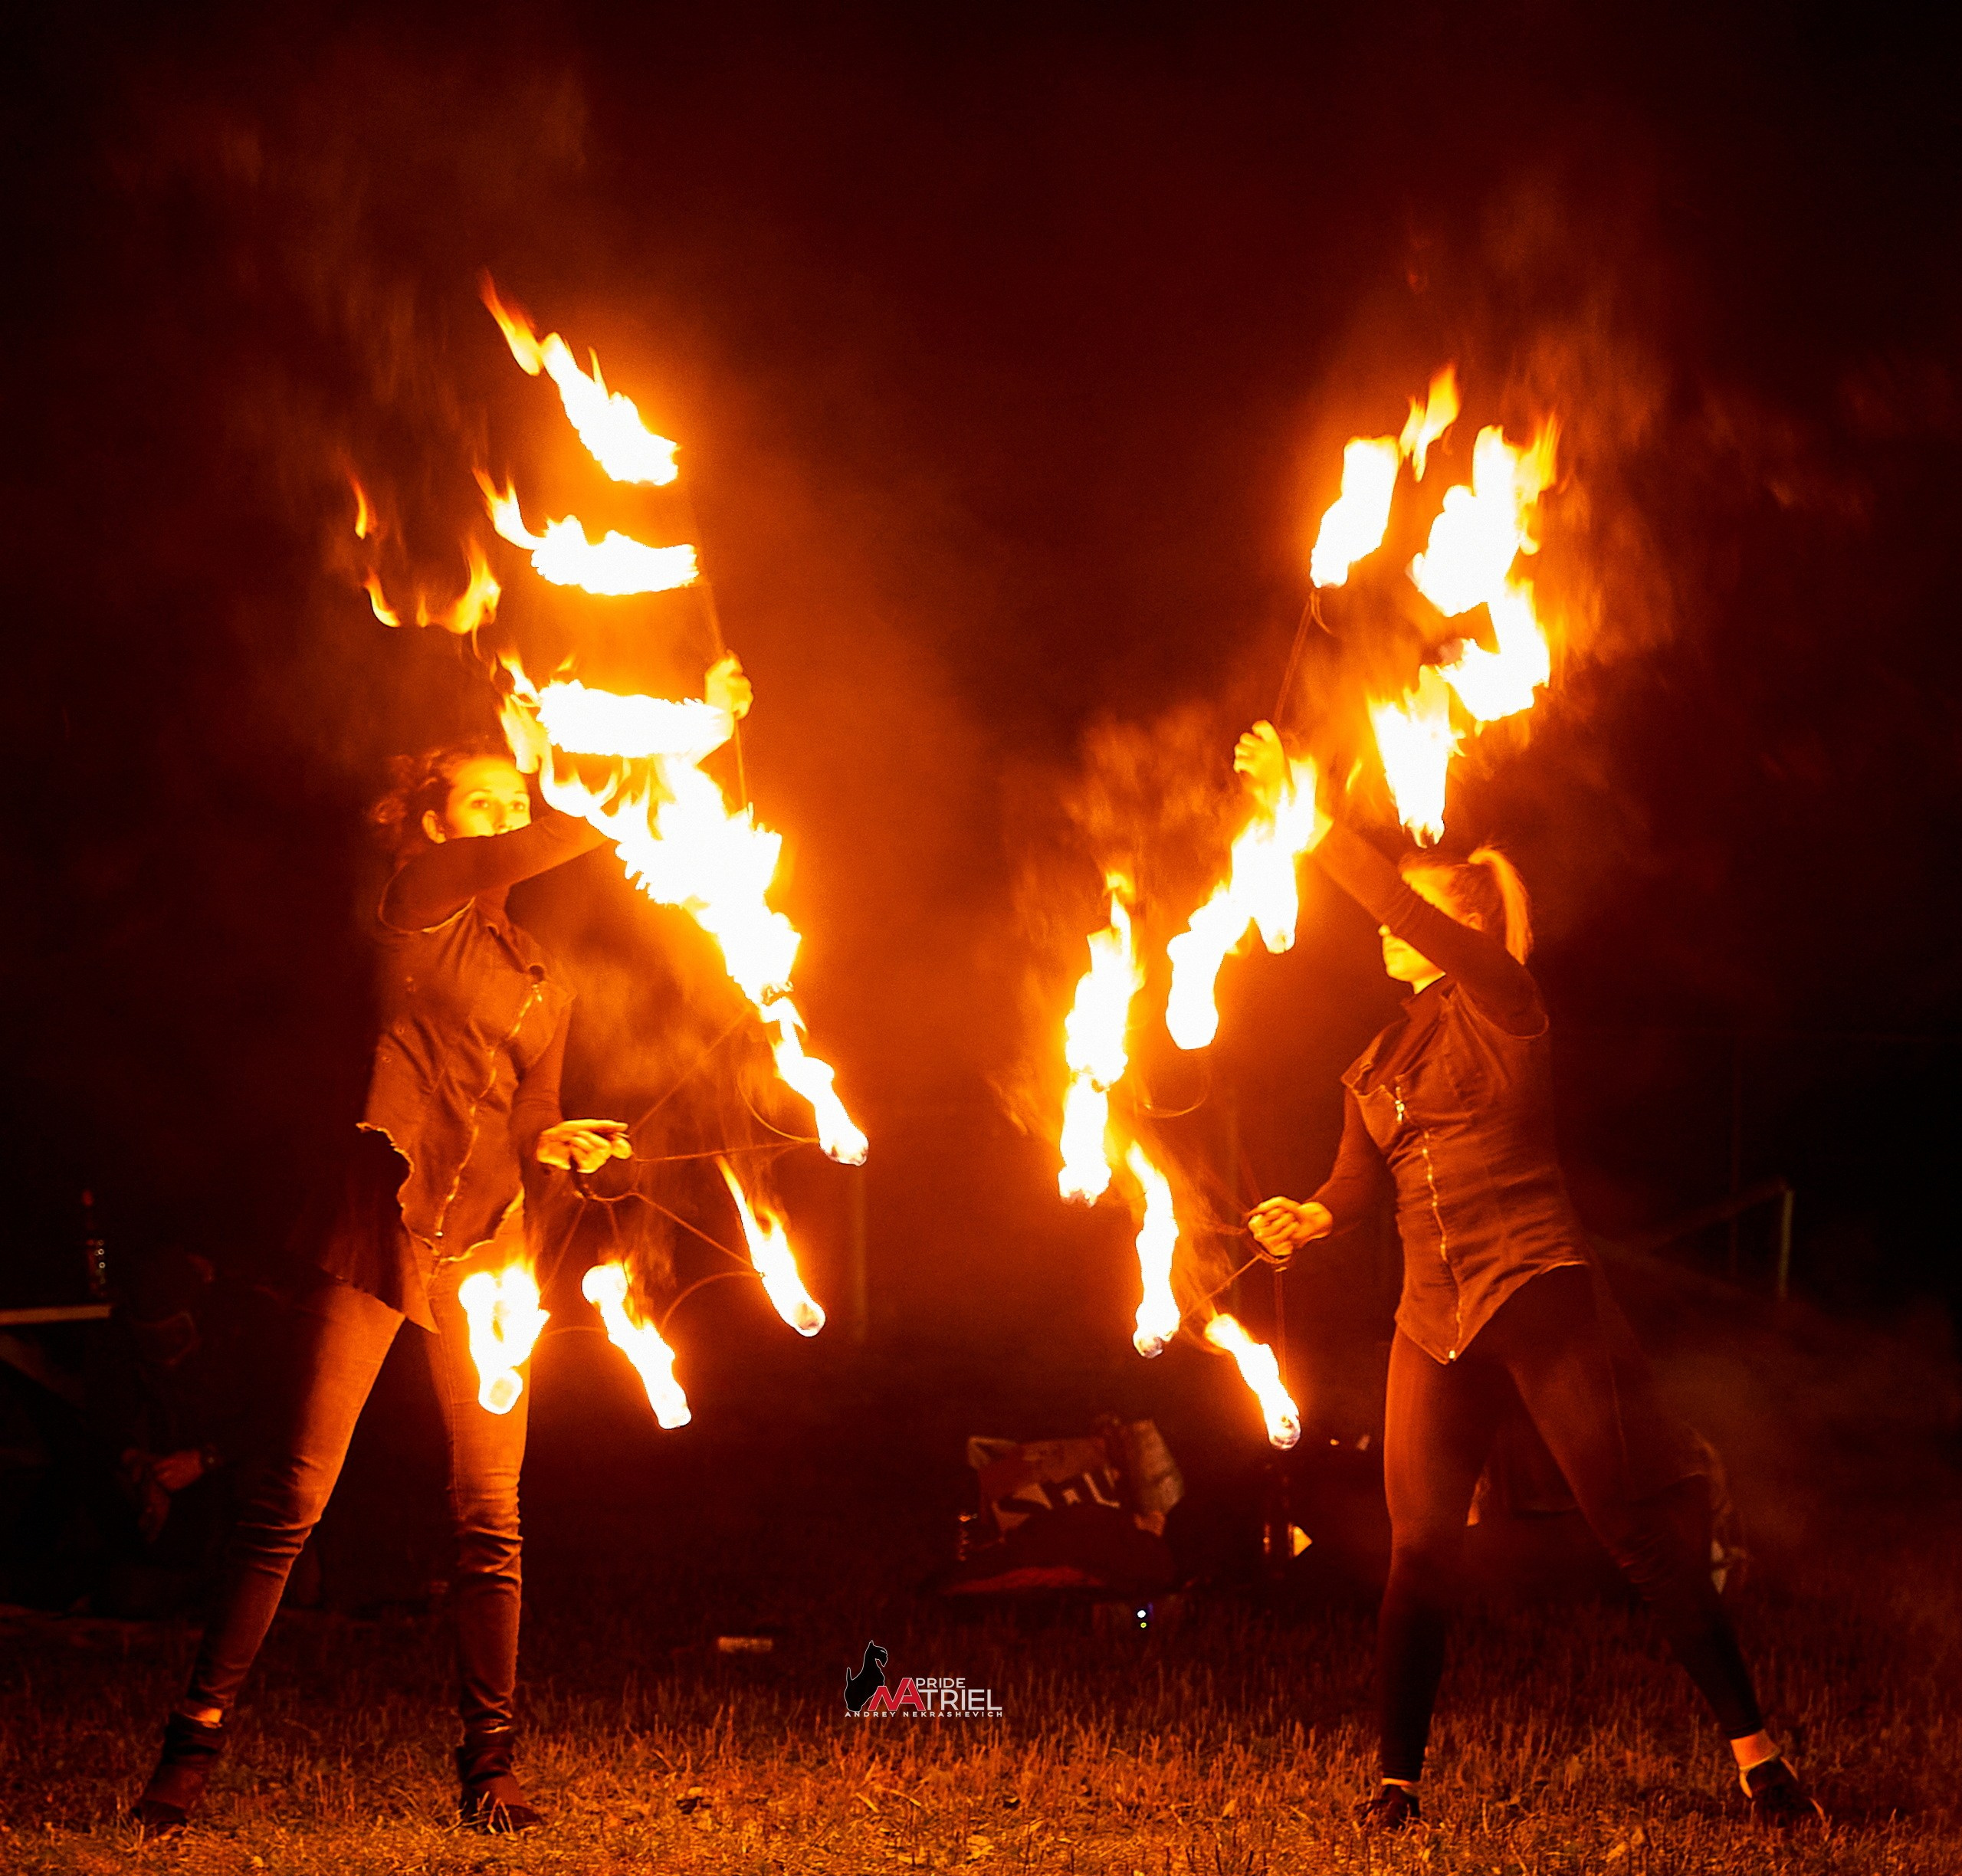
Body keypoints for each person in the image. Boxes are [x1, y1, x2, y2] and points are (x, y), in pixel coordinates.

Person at [133, 658, 752, 1835]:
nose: (508, 816)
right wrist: (685, 740)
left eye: (516, 800)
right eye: (484, 802)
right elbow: (556, 833)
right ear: (432, 825)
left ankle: (491, 1767)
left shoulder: (542, 980)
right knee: (292, 1497)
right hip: (380, 1232)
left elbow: (530, 1110)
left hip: (489, 1252)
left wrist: (559, 1140)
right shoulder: (417, 903)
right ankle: (192, 1744)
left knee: (490, 1516)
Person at [1233, 720, 1822, 1832]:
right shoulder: (1372, 1063)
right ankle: (1396, 1788)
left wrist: (1308, 811)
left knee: (1636, 1534)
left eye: (1411, 913)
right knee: (1419, 1550)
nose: (1386, 927)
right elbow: (1357, 1183)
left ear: (1458, 927)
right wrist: (1307, 1217)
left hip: (1538, 1288)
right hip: (1432, 1319)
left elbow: (1398, 905)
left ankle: (1760, 1762)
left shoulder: (1505, 1001)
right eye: (1393, 912)